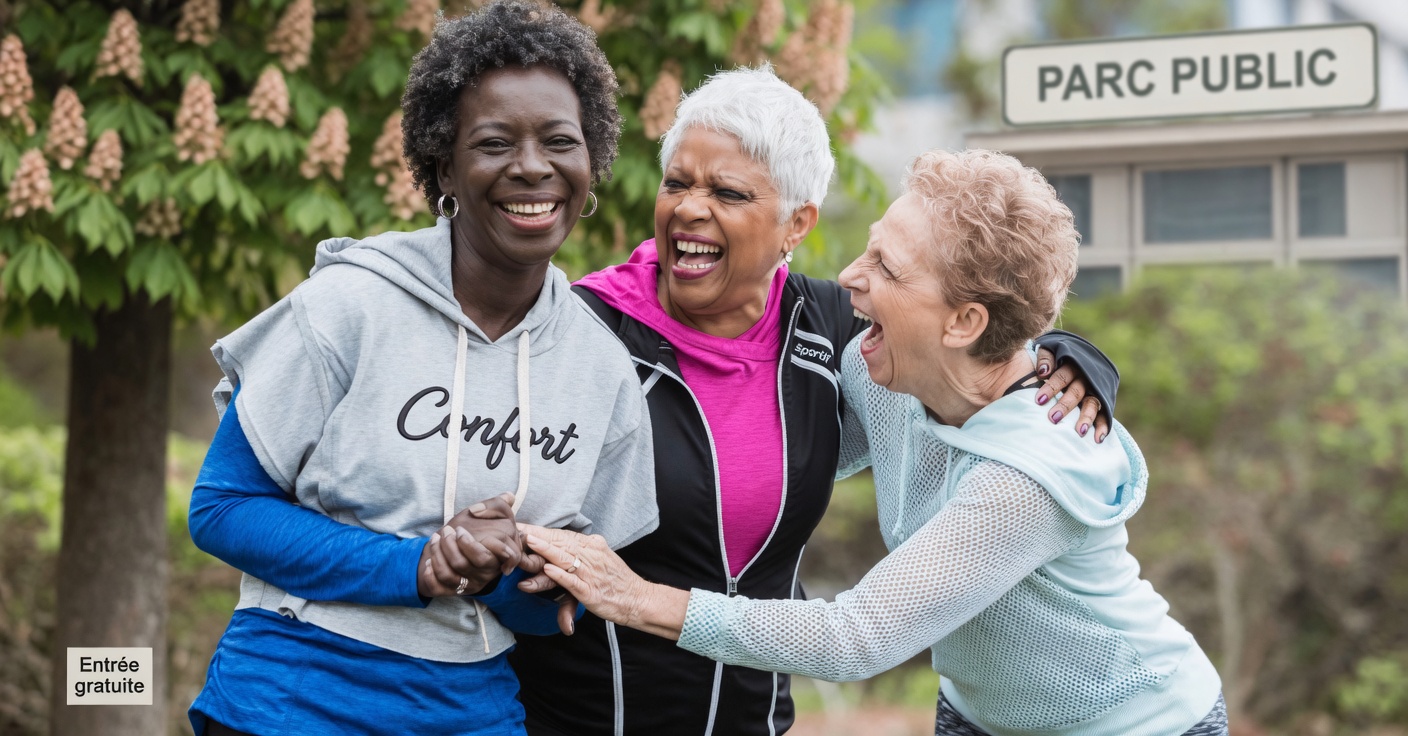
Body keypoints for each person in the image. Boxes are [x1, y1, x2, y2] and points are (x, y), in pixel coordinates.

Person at [498, 68, 1119, 736]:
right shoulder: (577, 330)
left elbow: (961, 355)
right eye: (677, 182)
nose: (688, 208)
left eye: (728, 191)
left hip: (755, 722)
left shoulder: (833, 332)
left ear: (797, 223)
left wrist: (1068, 354)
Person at [184, 3, 656, 735]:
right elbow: (220, 510)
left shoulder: (602, 371)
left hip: (472, 710)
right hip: (291, 699)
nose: (532, 166)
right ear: (445, 165)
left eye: (560, 141)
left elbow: (557, 611)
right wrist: (418, 565)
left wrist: (502, 568)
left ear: (589, 162)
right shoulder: (347, 307)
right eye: (495, 142)